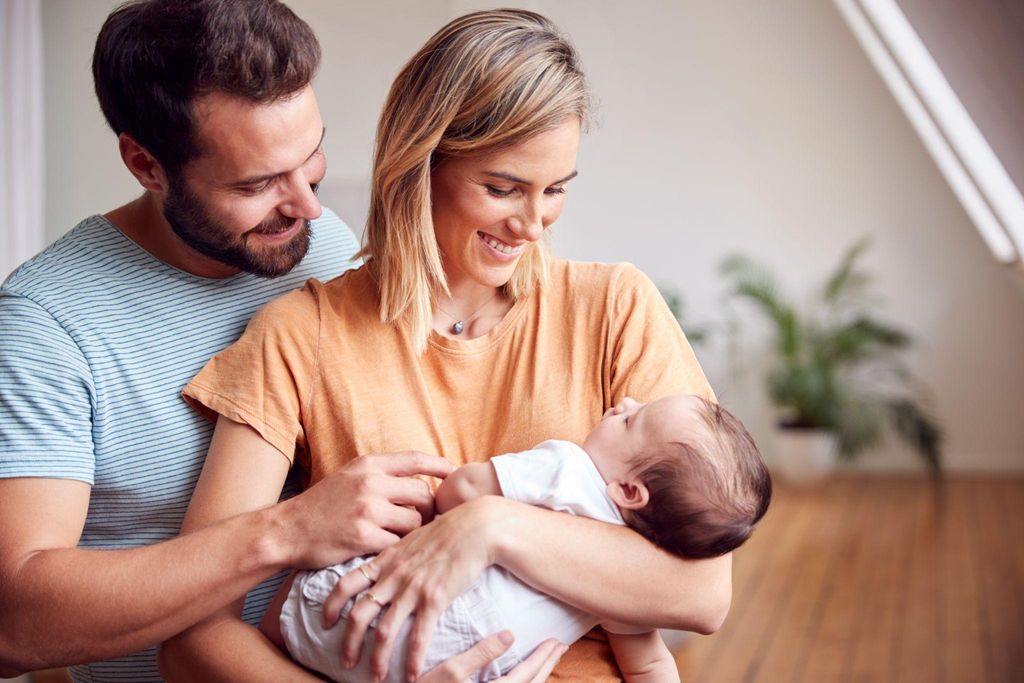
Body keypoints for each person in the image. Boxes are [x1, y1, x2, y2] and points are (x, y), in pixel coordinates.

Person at [168, 9, 733, 682]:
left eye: (554, 190)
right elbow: (192, 635)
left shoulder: (615, 308)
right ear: (421, 162)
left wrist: (490, 527)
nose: (531, 223)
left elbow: (702, 592)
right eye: (502, 188)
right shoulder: (299, 337)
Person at [0, 2, 552, 682]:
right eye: (258, 183)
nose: (308, 206)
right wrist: (288, 530)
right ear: (147, 164)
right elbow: (15, 622)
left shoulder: (321, 249)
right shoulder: (45, 325)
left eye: (311, 156)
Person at [267, 394, 772, 682]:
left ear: (628, 490)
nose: (624, 402)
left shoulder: (569, 469)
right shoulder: (624, 581)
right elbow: (649, 665)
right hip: (467, 667)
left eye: (631, 419)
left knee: (305, 597)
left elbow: (460, 491)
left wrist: (456, 500)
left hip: (376, 621)